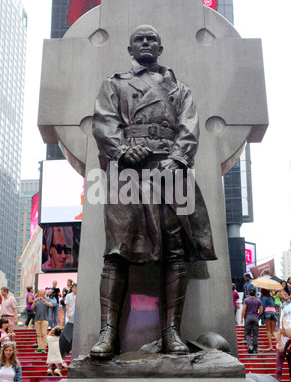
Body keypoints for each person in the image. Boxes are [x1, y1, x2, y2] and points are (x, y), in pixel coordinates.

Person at [90, 24, 217, 359]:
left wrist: (177, 158)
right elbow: (103, 122)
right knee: (117, 250)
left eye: (152, 39)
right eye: (138, 40)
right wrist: (119, 150)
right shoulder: (114, 84)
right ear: (130, 50)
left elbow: (189, 126)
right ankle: (108, 333)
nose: (145, 43)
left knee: (175, 250)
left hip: (170, 171)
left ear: (160, 48)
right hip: (129, 172)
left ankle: (171, 333)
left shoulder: (179, 88)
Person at [241, 287, 263, 354]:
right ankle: (255, 350)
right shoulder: (258, 300)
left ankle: (250, 346)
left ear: (249, 293)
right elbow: (261, 310)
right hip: (255, 317)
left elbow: (244, 309)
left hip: (248, 317)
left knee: (247, 334)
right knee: (255, 334)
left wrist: (242, 318)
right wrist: (257, 316)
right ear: (255, 293)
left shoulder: (246, 300)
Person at [274, 307, 291, 382]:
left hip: (289, 349)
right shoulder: (283, 322)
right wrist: (279, 345)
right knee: (278, 369)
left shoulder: (287, 323)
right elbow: (280, 333)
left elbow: (289, 335)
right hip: (281, 348)